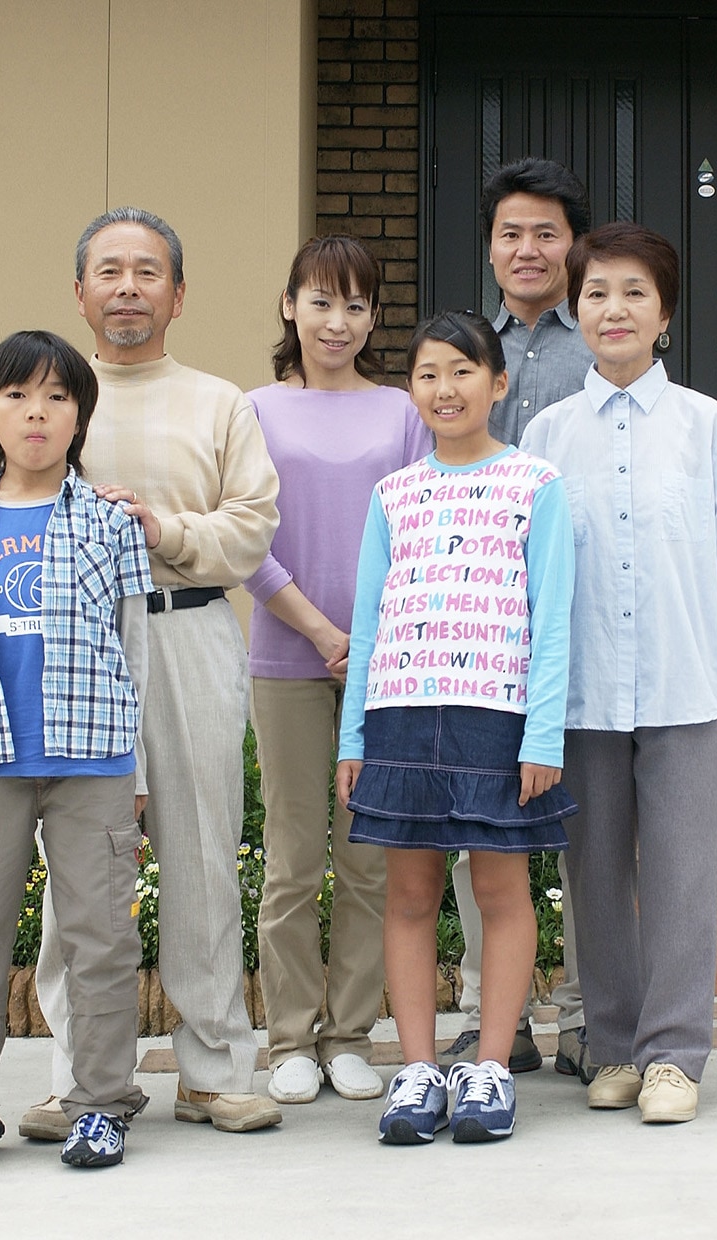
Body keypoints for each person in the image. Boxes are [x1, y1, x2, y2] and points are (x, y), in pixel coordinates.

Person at [0, 207, 283, 1139]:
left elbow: (253, 528)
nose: (126, 287)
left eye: (147, 272)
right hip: (61, 648)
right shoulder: (45, 387)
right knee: (76, 870)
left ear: (178, 293)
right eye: (108, 271)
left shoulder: (219, 401)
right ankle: (77, 1075)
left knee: (206, 855)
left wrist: (164, 531)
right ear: (80, 291)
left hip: (183, 630)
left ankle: (215, 1068)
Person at [520, 222, 717, 1125]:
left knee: (680, 872)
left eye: (634, 291)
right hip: (585, 690)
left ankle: (676, 1056)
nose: (614, 308)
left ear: (664, 313)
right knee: (592, 873)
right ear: (575, 308)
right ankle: (616, 1045)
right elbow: (530, 568)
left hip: (682, 682)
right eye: (596, 292)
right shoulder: (547, 433)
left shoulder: (703, 425)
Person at [0, 330, 154, 1170]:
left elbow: (136, 648)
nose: (36, 412)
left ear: (81, 415)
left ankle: (101, 1103)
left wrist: (141, 773)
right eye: (17, 396)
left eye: (56, 396)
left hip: (92, 756)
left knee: (101, 941)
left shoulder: (110, 521)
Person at [335, 310, 576, 1145]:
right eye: (429, 373)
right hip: (401, 712)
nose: (445, 388)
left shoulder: (536, 485)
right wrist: (352, 738)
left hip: (498, 719)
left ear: (498, 384)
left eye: (463, 371)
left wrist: (543, 735)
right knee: (408, 896)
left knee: (502, 893)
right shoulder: (394, 495)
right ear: (413, 390)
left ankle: (491, 1069)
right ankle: (416, 1068)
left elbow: (554, 622)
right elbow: (367, 625)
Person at [244, 236, 429, 1105]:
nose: (338, 321)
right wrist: (320, 630)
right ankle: (287, 1038)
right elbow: (245, 542)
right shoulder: (255, 410)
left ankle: (351, 1033)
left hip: (383, 664)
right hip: (285, 653)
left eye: (356, 305)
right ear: (290, 307)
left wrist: (376, 640)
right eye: (321, 301)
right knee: (291, 856)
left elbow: (422, 528)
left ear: (373, 319)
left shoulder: (400, 412)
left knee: (365, 857)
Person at [444, 156, 598, 1080]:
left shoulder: (605, 345)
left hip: (574, 628)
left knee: (575, 824)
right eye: (511, 233)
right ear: (491, 247)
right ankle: (485, 1015)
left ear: (572, 245)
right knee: (478, 826)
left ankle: (582, 1013)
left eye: (546, 232)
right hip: (478, 629)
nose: (528, 249)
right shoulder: (466, 346)